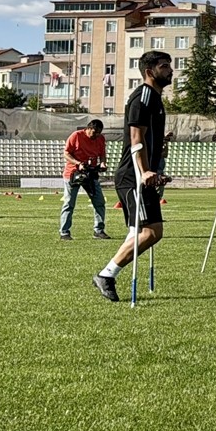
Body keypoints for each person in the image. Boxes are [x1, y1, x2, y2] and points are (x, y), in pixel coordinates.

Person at [92, 51, 173, 302]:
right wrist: (144, 171)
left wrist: (156, 170)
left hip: (142, 174)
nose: (170, 70)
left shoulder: (156, 99)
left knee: (140, 232)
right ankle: (106, 275)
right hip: (132, 176)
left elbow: (147, 141)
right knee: (150, 232)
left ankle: (107, 274)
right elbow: (136, 138)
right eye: (164, 66)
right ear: (150, 72)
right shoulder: (144, 97)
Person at [61, 119, 110, 241]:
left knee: (99, 202)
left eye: (99, 133)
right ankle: (64, 232)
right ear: (88, 128)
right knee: (69, 203)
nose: (96, 135)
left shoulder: (100, 139)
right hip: (73, 173)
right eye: (94, 132)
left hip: (91, 173)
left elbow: (102, 154)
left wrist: (103, 163)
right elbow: (66, 153)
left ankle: (98, 230)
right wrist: (78, 163)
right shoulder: (76, 136)